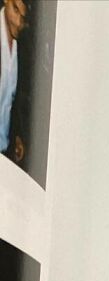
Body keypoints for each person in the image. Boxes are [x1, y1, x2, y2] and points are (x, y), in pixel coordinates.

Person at [0, 0, 28, 163]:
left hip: (5, 151)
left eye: (24, 18)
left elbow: (14, 100)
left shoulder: (23, 47)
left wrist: (17, 134)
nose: (18, 23)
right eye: (15, 10)